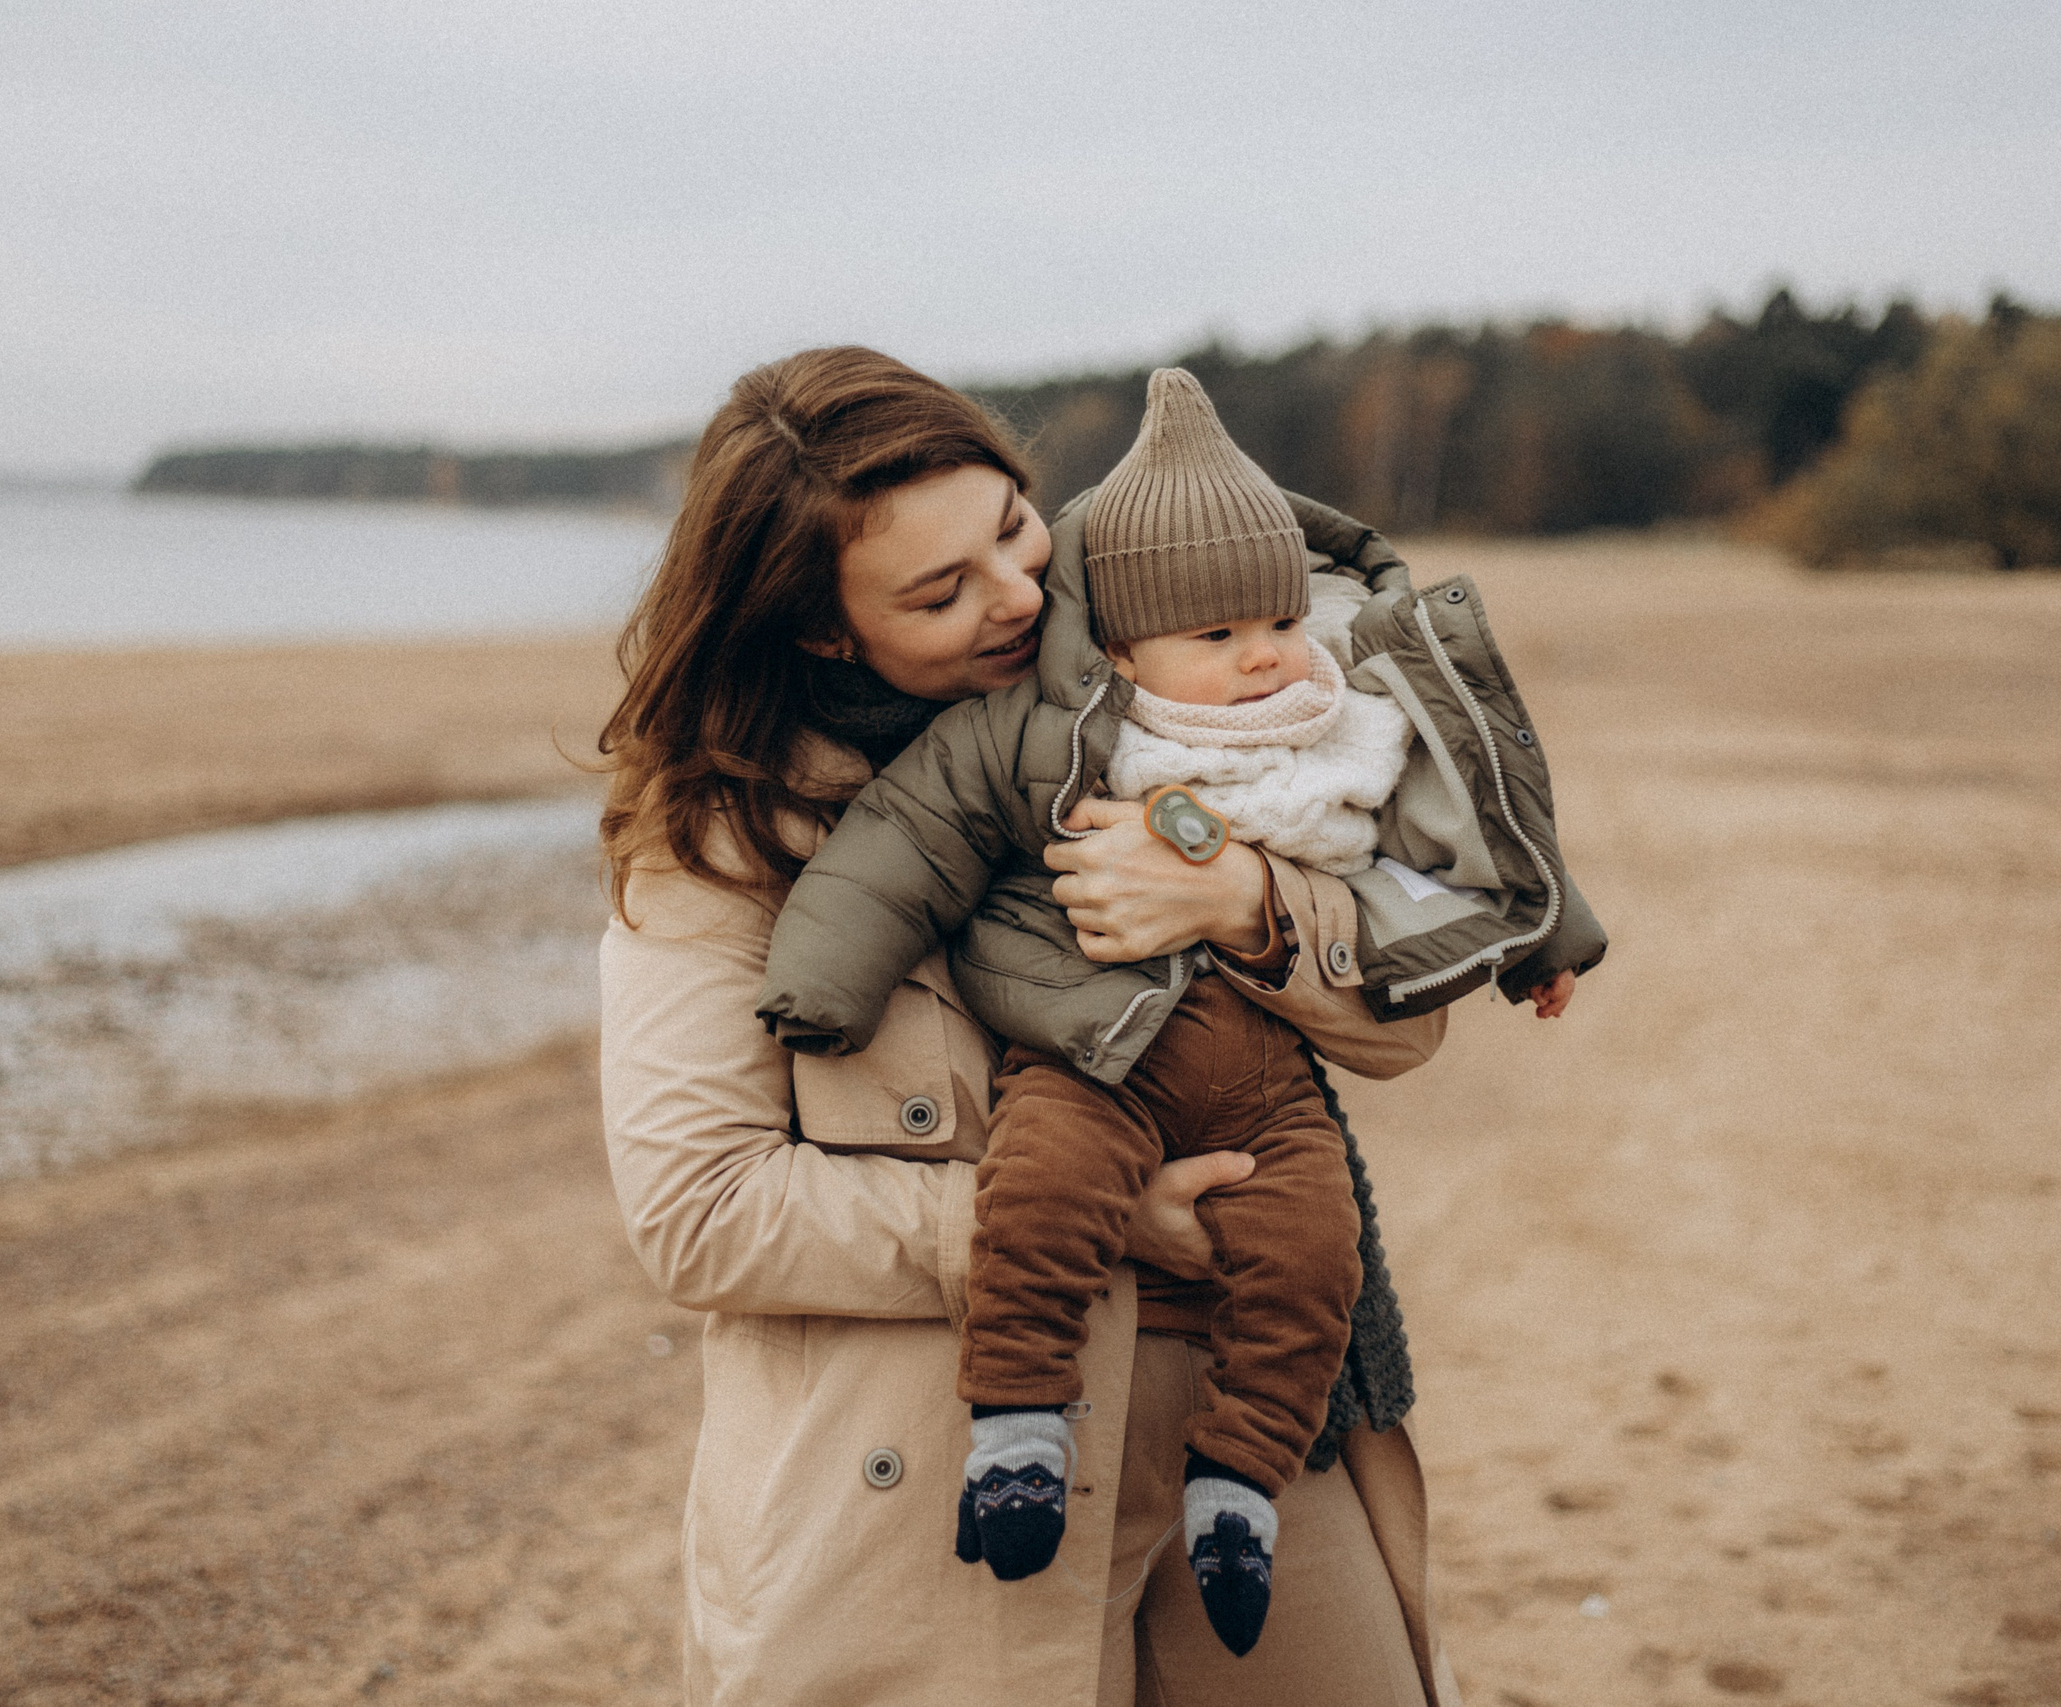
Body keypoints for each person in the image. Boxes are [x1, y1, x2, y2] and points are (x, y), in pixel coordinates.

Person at [598, 345, 1491, 1707]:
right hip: (928, 1474)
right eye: (939, 591)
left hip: (1245, 1434)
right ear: (824, 628)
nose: (1019, 595)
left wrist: (1246, 901)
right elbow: (699, 1212)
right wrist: (1082, 1223)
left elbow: (1402, 1031)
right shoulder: (724, 842)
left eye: (1014, 528)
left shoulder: (1191, 697)